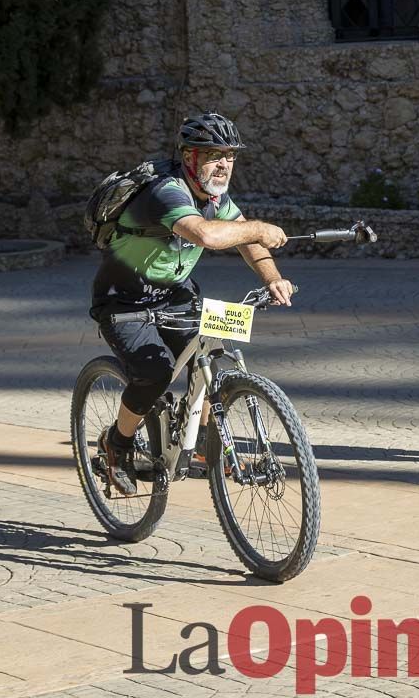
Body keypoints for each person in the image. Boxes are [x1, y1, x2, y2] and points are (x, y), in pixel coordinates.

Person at [90, 112, 295, 494]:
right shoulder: (167, 191)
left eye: (229, 157)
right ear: (189, 158)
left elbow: (244, 239)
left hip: (176, 293)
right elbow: (205, 234)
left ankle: (201, 445)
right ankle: (116, 445)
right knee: (155, 374)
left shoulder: (215, 197)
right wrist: (258, 227)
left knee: (214, 351)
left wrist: (273, 278)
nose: (223, 165)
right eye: (214, 155)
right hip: (124, 301)